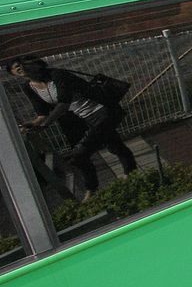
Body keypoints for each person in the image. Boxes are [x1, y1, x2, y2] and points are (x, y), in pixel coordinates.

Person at [8, 56, 137, 200]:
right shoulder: (29, 87)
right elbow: (42, 113)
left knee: (82, 153)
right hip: (84, 117)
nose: (22, 70)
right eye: (17, 68)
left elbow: (64, 102)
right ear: (13, 74)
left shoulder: (57, 75)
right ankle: (109, 181)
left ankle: (102, 185)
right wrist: (33, 124)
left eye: (23, 66)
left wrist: (46, 124)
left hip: (102, 111)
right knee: (111, 145)